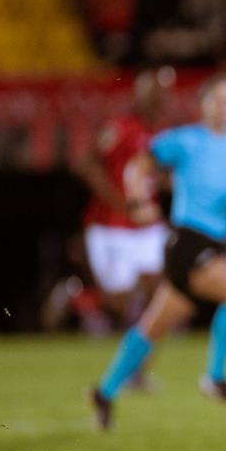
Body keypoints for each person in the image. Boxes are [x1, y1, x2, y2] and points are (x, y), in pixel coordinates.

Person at [89, 72, 226, 428]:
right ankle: (214, 377)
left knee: (154, 325)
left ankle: (105, 392)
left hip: (214, 243)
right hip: (187, 240)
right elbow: (138, 165)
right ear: (203, 105)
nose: (225, 107)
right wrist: (138, 200)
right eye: (217, 99)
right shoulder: (185, 140)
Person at [72, 67, 173, 334]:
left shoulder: (162, 133)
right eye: (150, 92)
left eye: (160, 93)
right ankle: (78, 301)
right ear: (138, 95)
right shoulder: (120, 127)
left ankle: (141, 354)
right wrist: (117, 200)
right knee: (118, 301)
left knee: (159, 288)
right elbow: (85, 163)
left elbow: (157, 176)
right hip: (112, 223)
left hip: (147, 224)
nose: (156, 99)